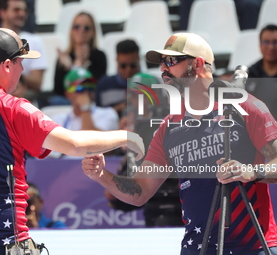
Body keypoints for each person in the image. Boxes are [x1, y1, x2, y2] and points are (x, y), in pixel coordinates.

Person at [0, 27, 144, 254]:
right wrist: (130, 136)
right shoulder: (12, 107)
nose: (23, 68)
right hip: (3, 244)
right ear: (7, 65)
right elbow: (74, 144)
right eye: (20, 62)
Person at [82, 32, 277, 254]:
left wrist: (250, 172)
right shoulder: (168, 126)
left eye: (171, 61)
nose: (163, 69)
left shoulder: (245, 107)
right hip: (197, 248)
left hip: (253, 246)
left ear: (198, 63)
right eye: (161, 62)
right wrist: (101, 175)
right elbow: (141, 190)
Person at [50, 68, 119, 158]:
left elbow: (94, 145)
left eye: (90, 87)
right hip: (64, 169)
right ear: (68, 94)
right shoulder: (58, 120)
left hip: (96, 169)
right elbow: (50, 157)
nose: (86, 92)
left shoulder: (108, 114)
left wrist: (85, 108)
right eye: (80, 88)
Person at [0, 0, 47, 102]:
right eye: (16, 10)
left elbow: (37, 83)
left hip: (25, 98)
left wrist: (7, 73)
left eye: (24, 10)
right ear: (2, 12)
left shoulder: (35, 41)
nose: (21, 14)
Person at [53, 12, 107, 101]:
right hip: (67, 102)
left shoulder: (99, 56)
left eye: (86, 28)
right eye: (77, 27)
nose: (81, 30)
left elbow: (97, 87)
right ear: (71, 30)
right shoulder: (64, 57)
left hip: (90, 101)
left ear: (93, 32)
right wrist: (77, 65)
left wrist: (73, 68)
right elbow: (58, 90)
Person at [94, 39, 141, 116]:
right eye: (123, 65)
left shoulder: (151, 82)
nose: (128, 70)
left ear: (139, 60)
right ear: (116, 61)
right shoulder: (104, 85)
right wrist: (113, 111)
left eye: (133, 65)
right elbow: (97, 117)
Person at [246, 24, 277, 120]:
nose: (271, 47)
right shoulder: (251, 74)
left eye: (275, 42)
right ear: (260, 46)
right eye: (266, 42)